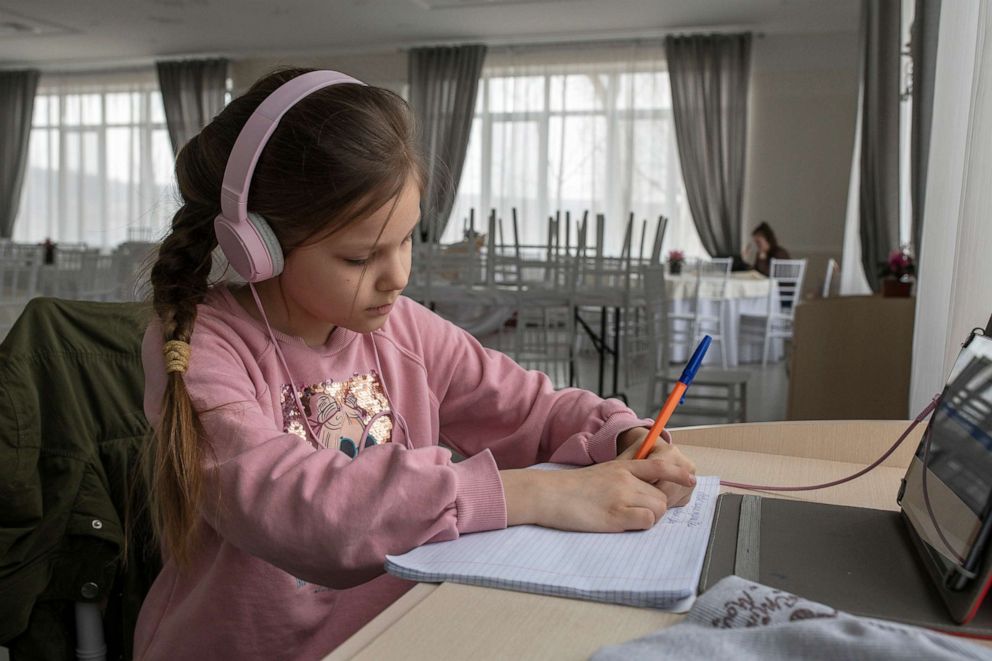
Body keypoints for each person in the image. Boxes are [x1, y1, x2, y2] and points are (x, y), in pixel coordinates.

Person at [136, 68, 696, 660]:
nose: (398, 276)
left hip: (397, 638)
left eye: (407, 240)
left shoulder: (402, 329)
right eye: (360, 256)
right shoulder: (204, 347)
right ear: (259, 248)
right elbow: (298, 509)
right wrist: (531, 494)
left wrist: (621, 435)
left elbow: (531, 409)